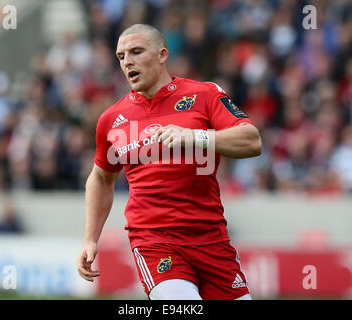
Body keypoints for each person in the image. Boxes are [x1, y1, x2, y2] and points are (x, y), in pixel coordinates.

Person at [77, 24, 262, 300]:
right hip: (154, 240)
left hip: (212, 238)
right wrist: (90, 238)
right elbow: (101, 177)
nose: (127, 62)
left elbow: (252, 141)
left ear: (162, 55)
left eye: (136, 52)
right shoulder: (112, 119)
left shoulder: (205, 95)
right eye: (121, 56)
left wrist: (196, 137)